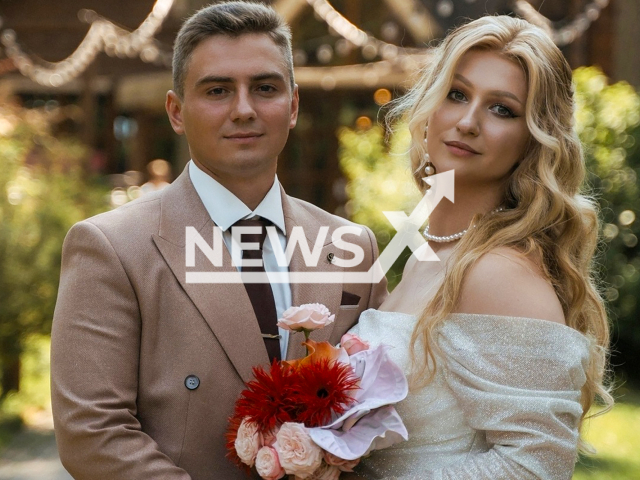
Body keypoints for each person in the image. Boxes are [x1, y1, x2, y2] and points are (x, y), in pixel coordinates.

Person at [50, 2, 387, 479]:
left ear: (292, 107)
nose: (244, 109)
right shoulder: (110, 247)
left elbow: (382, 408)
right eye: (218, 90)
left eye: (265, 88)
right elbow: (92, 433)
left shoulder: (351, 247)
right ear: (176, 111)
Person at [344, 15, 612, 479]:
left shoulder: (499, 272)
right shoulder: (427, 258)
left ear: (534, 140)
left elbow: (535, 466)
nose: (467, 122)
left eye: (501, 109)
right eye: (457, 94)